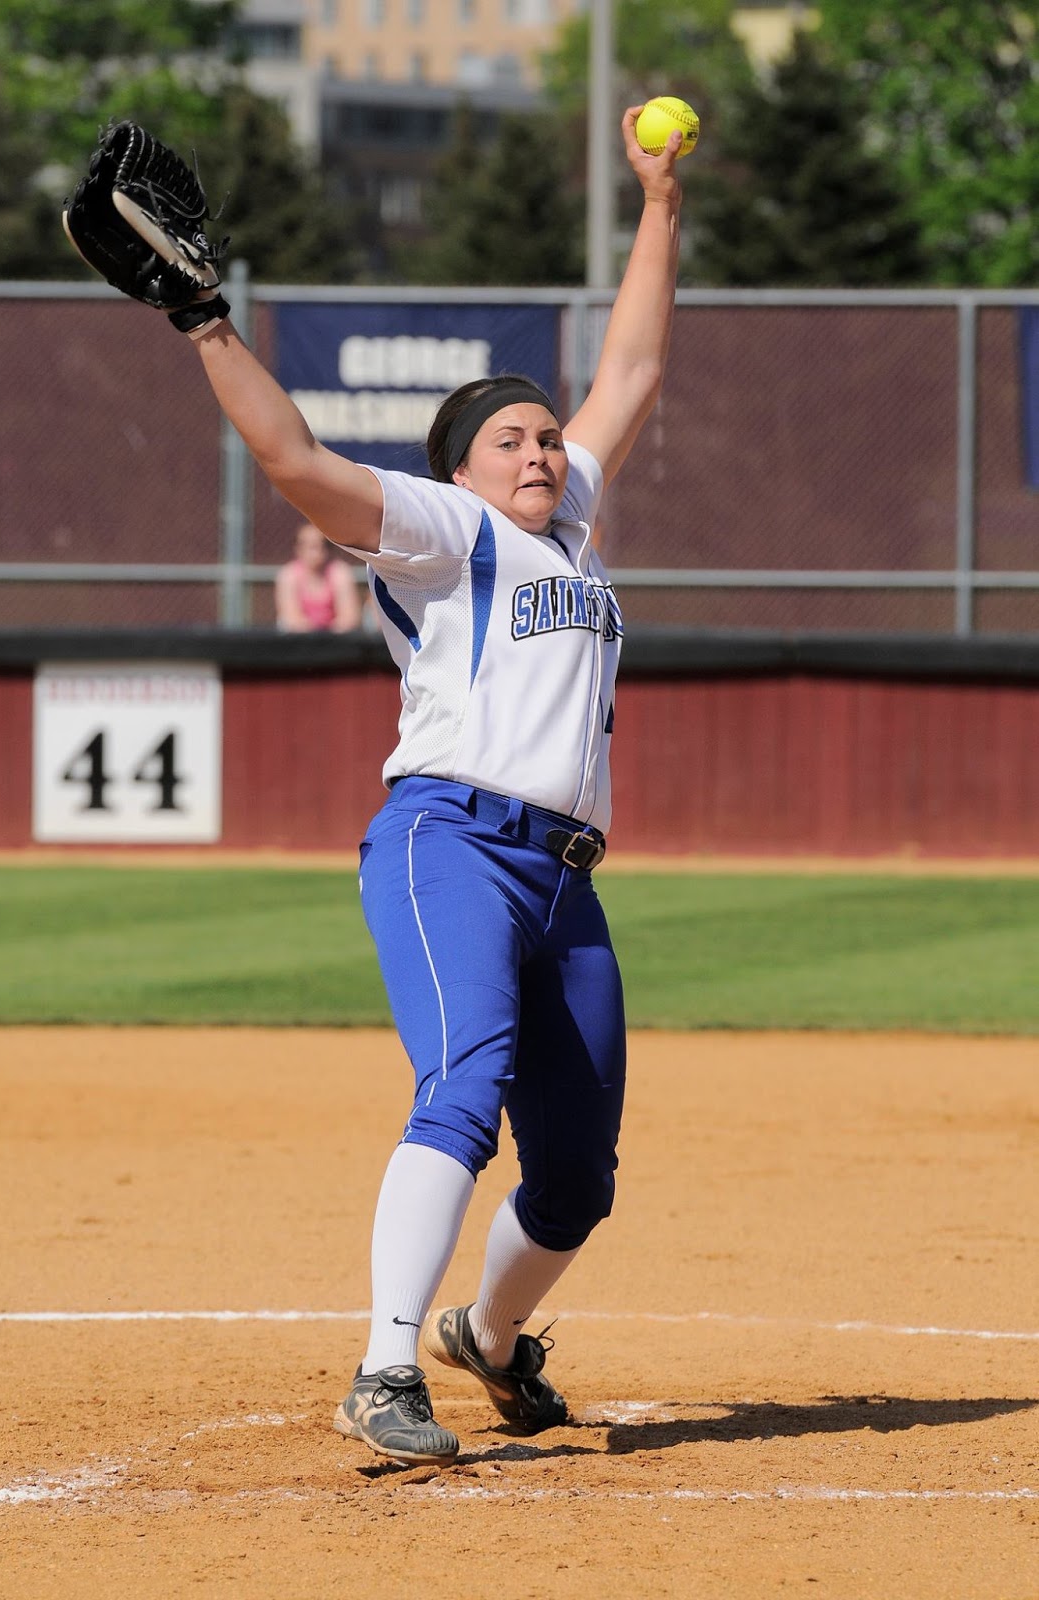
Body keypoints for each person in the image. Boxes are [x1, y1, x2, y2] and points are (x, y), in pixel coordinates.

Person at [174, 105, 682, 1465]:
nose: (537, 450)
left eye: (541, 441)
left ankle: (487, 1341)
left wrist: (659, 204)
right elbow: (290, 460)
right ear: (459, 470)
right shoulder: (446, 532)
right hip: (448, 836)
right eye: (510, 440)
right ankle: (385, 1364)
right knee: (459, 1089)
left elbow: (628, 372)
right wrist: (207, 321)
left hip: (566, 882)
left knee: (576, 1180)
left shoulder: (566, 538)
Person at [275, 520, 364, 632]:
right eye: (311, 547)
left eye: (321, 546)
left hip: (335, 641)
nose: (316, 553)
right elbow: (290, 617)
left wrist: (327, 637)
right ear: (298, 548)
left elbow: (350, 617)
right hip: (299, 642)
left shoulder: (340, 572)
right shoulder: (288, 575)